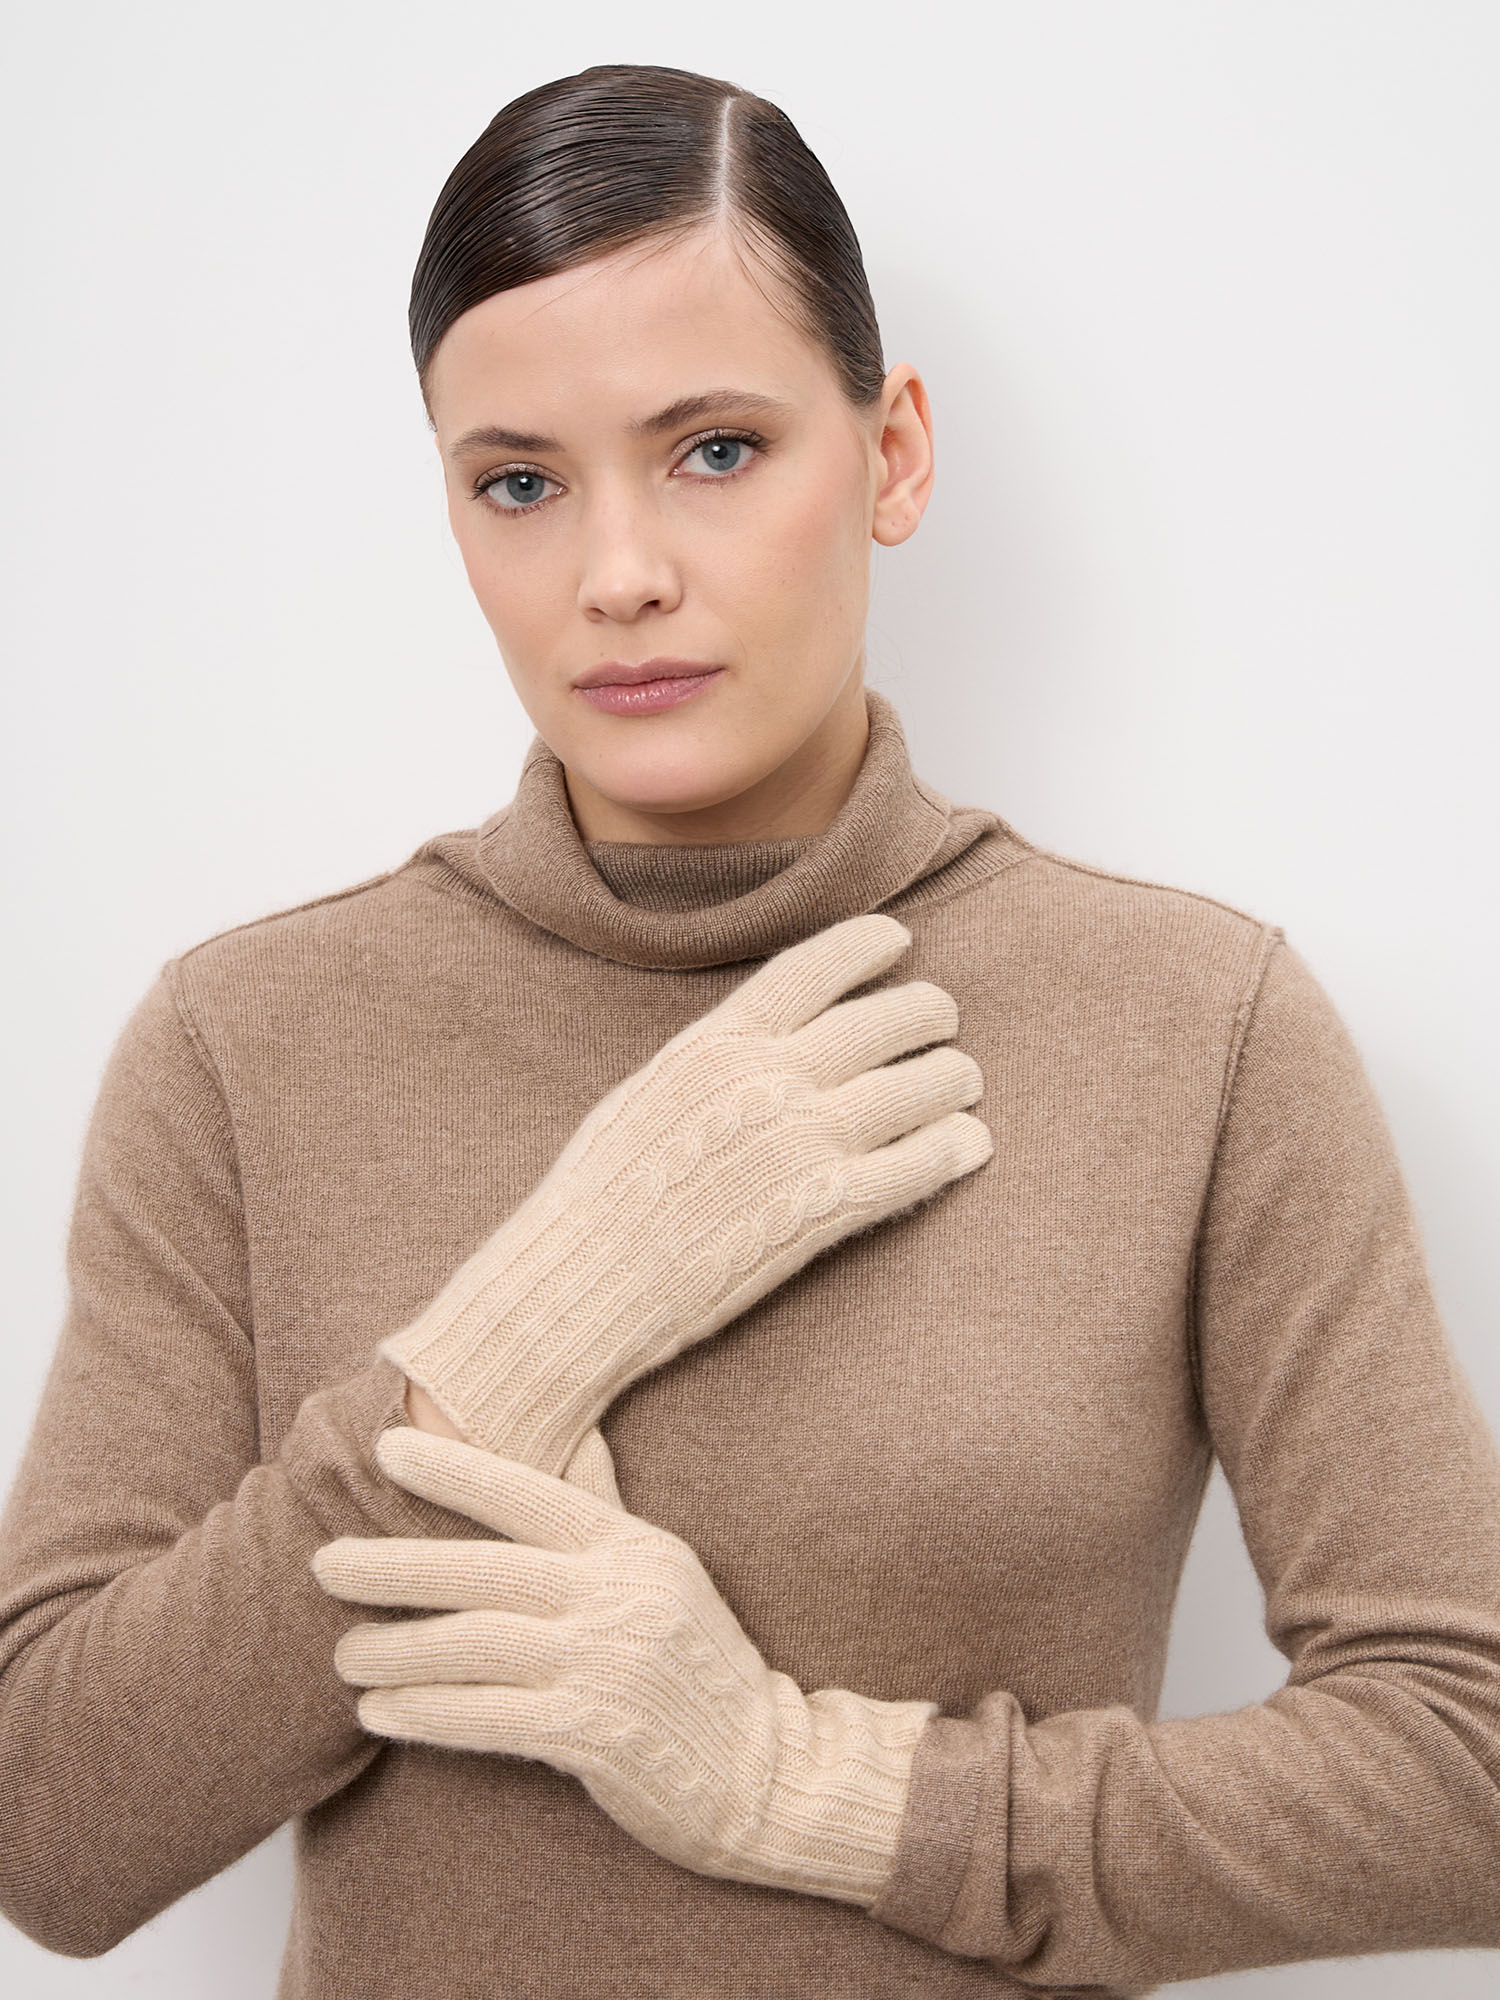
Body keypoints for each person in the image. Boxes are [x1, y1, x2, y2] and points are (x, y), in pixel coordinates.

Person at [2, 58, 1498, 2000]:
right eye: (520, 482)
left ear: (892, 456)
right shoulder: (244, 1045)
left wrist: (805, 1784)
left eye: (714, 450)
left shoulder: (1196, 1027)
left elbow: (1466, 1763)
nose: (619, 574)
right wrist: (525, 1332)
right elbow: (50, 1825)